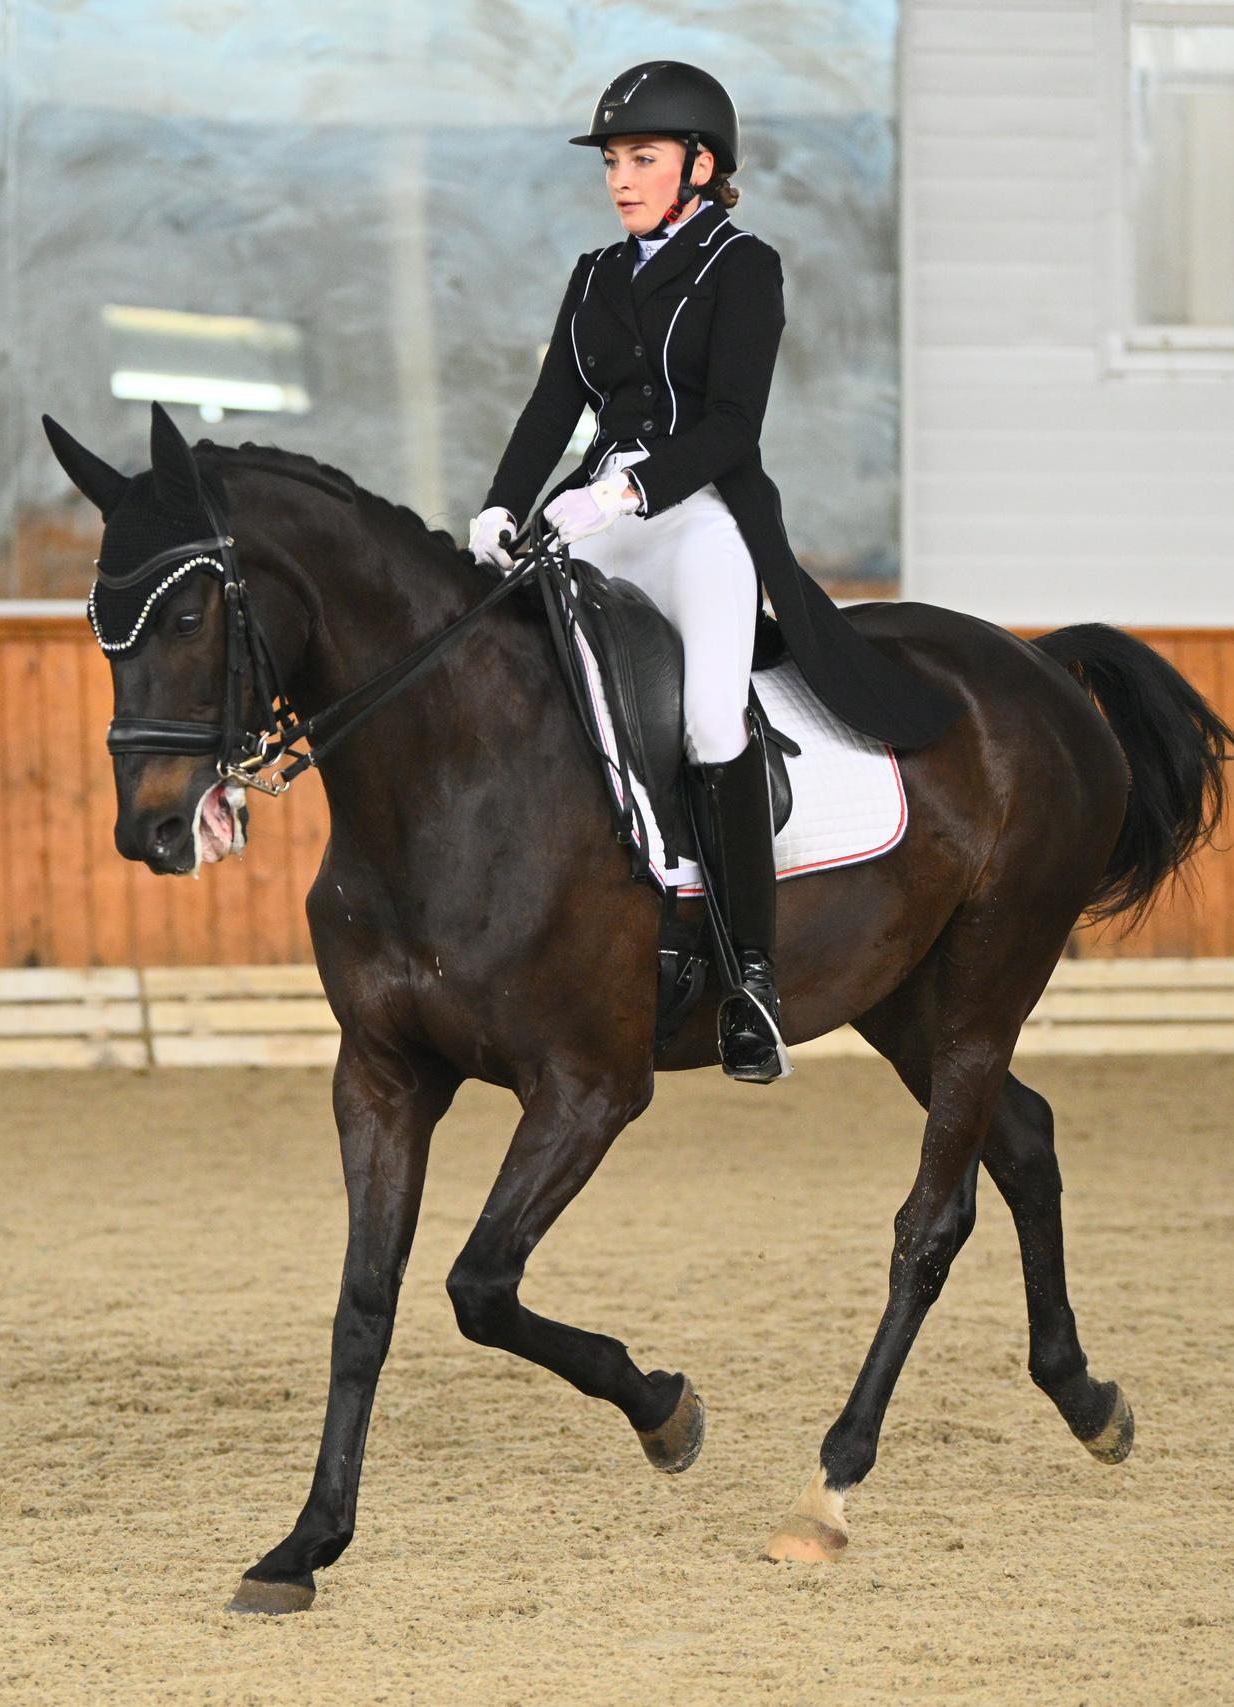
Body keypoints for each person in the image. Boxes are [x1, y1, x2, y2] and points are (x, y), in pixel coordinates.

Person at [469, 61, 800, 1081]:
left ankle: (749, 981)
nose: (620, 177)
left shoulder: (744, 268)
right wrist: (498, 507)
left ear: (701, 166)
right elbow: (549, 410)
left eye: (641, 158)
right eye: (613, 160)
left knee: (708, 718)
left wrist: (622, 496)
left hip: (695, 519)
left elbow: (731, 428)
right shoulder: (594, 277)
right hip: (590, 515)